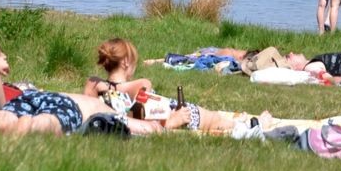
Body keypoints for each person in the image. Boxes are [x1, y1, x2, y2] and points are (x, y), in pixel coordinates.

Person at [84, 37, 239, 134]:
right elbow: (141, 117)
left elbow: (87, 107)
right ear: (125, 62)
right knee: (217, 120)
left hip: (167, 113)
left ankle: (243, 122)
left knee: (218, 118)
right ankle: (251, 126)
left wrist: (108, 86)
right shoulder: (141, 85)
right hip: (177, 114)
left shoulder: (94, 85)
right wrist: (172, 122)